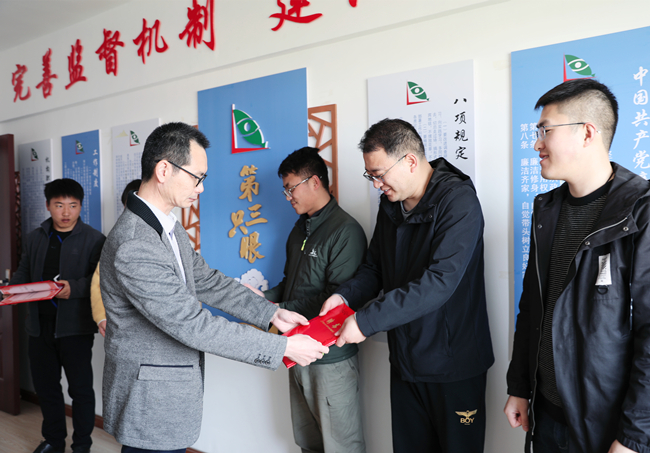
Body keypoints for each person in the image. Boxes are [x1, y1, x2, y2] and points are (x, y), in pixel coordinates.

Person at [100, 122, 329, 453]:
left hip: (166, 391)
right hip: (150, 398)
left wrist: (270, 314)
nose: (201, 188)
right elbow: (192, 324)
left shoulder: (167, 227)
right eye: (197, 177)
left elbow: (206, 280)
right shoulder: (135, 243)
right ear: (163, 170)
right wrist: (282, 347)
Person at [320, 119, 494, 453]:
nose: (376, 184)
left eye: (379, 174)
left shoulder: (458, 202)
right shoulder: (391, 206)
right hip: (406, 360)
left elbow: (439, 282)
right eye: (370, 176)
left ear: (410, 161)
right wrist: (344, 297)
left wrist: (366, 321)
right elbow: (375, 268)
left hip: (453, 362)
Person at [505, 79, 650, 453]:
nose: (537, 144)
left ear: (587, 133)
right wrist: (519, 387)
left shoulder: (641, 212)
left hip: (607, 428)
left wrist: (634, 437)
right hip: (546, 415)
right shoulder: (547, 210)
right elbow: (532, 306)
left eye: (546, 130)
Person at [262, 147, 367, 453]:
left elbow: (336, 304)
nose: (287, 197)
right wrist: (259, 301)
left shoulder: (345, 231)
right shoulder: (298, 230)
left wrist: (275, 310)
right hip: (296, 351)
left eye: (291, 188)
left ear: (315, 182)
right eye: (285, 190)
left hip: (331, 359)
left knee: (341, 445)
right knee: (308, 442)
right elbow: (289, 285)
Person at [10, 178, 105, 453]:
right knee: (47, 388)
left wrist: (73, 288)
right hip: (39, 327)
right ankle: (53, 440)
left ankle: (82, 445)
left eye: (73, 205)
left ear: (80, 206)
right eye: (59, 205)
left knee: (80, 390)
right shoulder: (35, 237)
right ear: (48, 206)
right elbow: (24, 272)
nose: (66, 212)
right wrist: (10, 292)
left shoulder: (94, 239)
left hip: (75, 327)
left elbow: (100, 281)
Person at [90, 178, 141, 337]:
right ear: (124, 206)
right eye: (131, 205)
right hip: (123, 326)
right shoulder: (117, 238)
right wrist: (101, 317)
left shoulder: (168, 236)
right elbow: (99, 281)